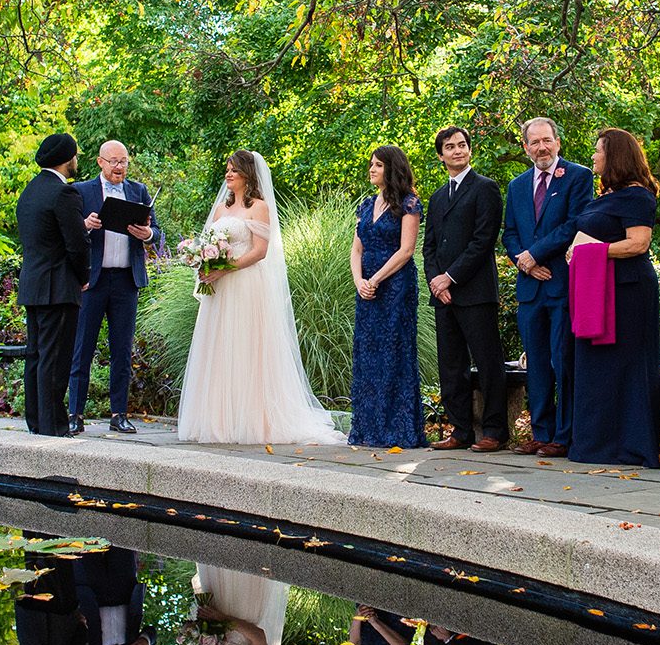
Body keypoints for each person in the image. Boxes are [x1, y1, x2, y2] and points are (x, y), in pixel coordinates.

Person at [176, 151, 345, 444]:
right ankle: (218, 420)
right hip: (220, 289)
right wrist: (202, 262)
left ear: (248, 175)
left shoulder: (260, 207)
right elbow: (206, 243)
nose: (228, 175)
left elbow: (260, 251)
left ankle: (253, 419)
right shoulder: (220, 210)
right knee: (220, 348)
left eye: (234, 170)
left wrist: (224, 269)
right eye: (227, 170)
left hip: (245, 286)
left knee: (245, 348)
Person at [566, 129, 660, 469]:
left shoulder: (638, 196)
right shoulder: (607, 195)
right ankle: (597, 443)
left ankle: (630, 446)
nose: (593, 157)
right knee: (597, 368)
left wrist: (591, 251)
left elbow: (638, 243)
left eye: (598, 151)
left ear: (615, 155)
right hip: (597, 290)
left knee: (626, 367)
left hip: (627, 291)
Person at [502, 118, 592, 457]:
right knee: (536, 363)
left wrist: (535, 254)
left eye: (546, 141)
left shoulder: (578, 177)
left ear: (557, 142)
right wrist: (523, 261)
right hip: (529, 288)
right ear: (525, 147)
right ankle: (541, 432)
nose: (541, 147)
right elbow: (509, 232)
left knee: (562, 360)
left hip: (562, 285)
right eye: (534, 142)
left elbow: (575, 224)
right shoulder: (517, 185)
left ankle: (564, 435)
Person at [422, 127, 507, 451]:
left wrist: (450, 277)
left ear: (470, 150)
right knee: (451, 366)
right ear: (441, 155)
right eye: (450, 147)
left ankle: (495, 431)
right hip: (443, 296)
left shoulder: (485, 188)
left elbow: (483, 241)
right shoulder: (438, 197)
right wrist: (436, 280)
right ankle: (460, 430)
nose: (457, 150)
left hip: (475, 292)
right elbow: (429, 246)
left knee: (488, 363)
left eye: (462, 145)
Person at [67, 140, 159, 436]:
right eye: (114, 161)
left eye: (124, 161)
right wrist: (85, 224)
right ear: (100, 162)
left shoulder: (138, 191)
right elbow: (68, 234)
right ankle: (75, 414)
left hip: (125, 280)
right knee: (82, 348)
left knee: (123, 349)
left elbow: (158, 233)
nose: (119, 167)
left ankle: (119, 414)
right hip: (92, 281)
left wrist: (147, 234)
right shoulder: (82, 191)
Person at [349, 146, 426, 449]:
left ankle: (398, 430)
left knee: (395, 352)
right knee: (368, 354)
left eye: (378, 165)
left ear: (391, 169)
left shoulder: (409, 204)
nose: (371, 169)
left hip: (395, 286)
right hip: (367, 288)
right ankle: (369, 429)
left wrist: (377, 279)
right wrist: (360, 282)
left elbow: (406, 250)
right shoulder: (367, 205)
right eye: (371, 164)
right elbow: (356, 249)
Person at [16, 133, 89, 437]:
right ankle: (52, 427)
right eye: (75, 155)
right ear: (67, 158)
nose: (76, 161)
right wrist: (83, 277)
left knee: (36, 356)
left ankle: (38, 421)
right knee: (55, 360)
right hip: (58, 288)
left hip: (33, 285)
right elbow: (76, 244)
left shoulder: (30, 191)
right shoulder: (64, 194)